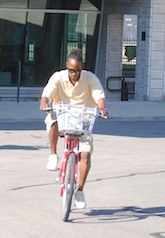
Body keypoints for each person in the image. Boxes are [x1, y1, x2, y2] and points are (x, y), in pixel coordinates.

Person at [39, 48, 109, 209]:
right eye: (71, 70)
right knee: (53, 119)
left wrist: (102, 108)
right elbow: (47, 93)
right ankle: (53, 155)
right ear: (66, 67)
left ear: (81, 68)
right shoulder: (58, 77)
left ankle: (79, 190)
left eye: (77, 71)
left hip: (83, 120)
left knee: (85, 154)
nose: (74, 74)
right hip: (63, 116)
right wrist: (44, 103)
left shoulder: (90, 78)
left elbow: (99, 95)